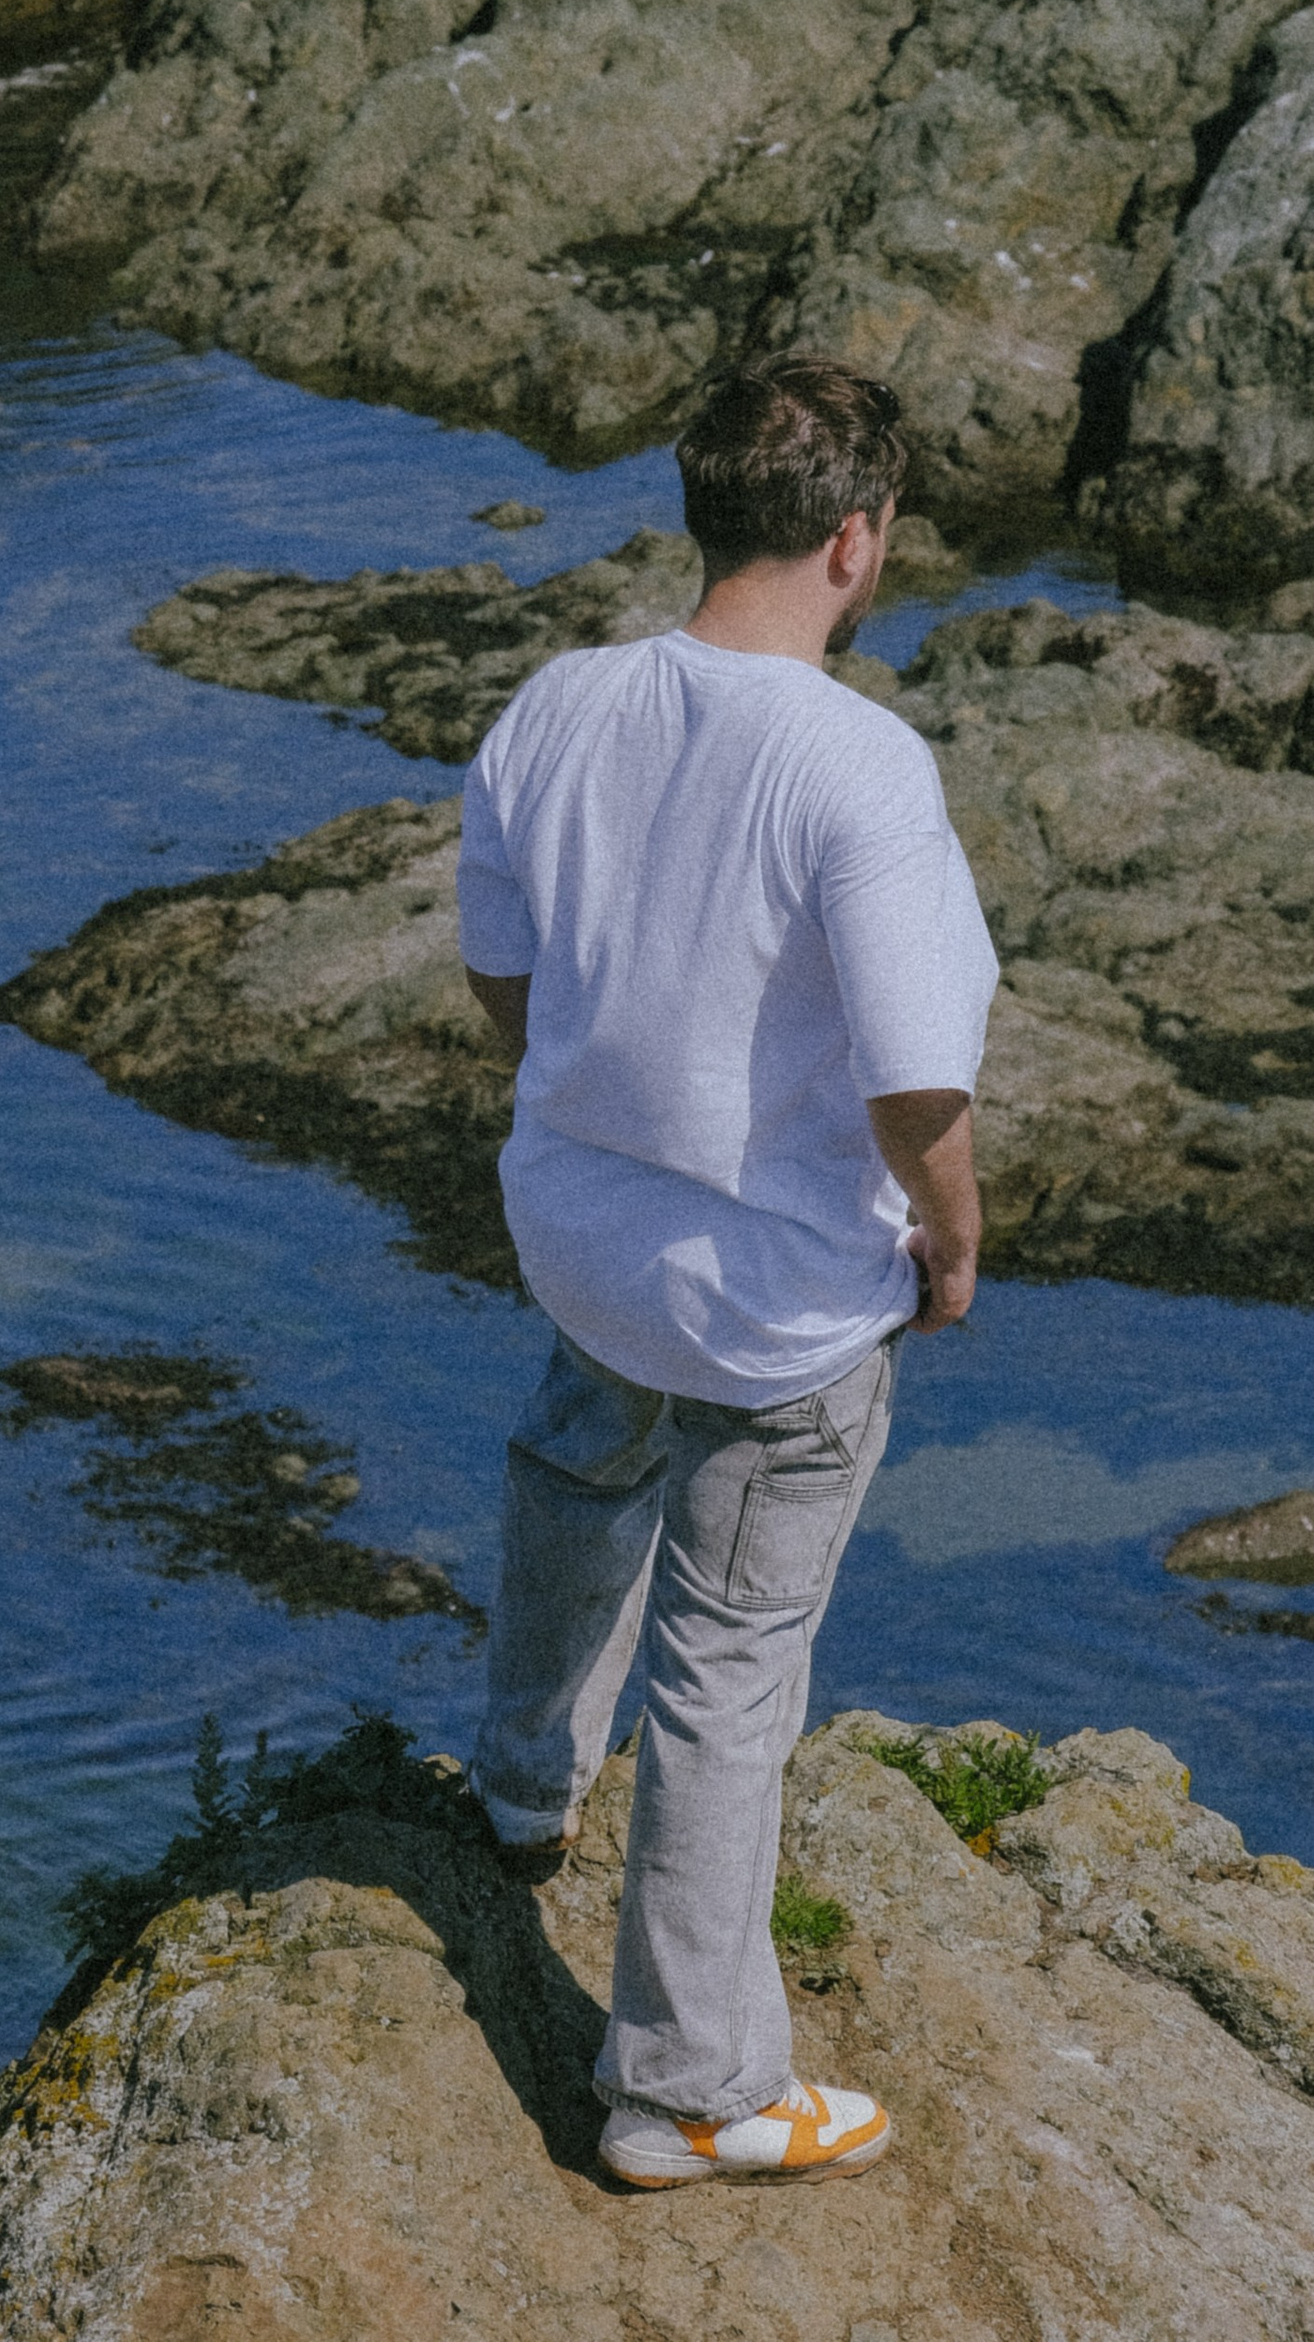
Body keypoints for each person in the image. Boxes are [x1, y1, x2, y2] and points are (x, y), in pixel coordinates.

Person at [457, 355, 995, 2191]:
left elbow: (505, 978)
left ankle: (523, 1786)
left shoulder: (559, 701)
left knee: (576, 1463)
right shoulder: (857, 762)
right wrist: (952, 1229)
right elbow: (918, 1077)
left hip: (589, 1242)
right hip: (768, 1299)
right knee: (732, 1660)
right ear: (857, 538)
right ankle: (688, 2089)